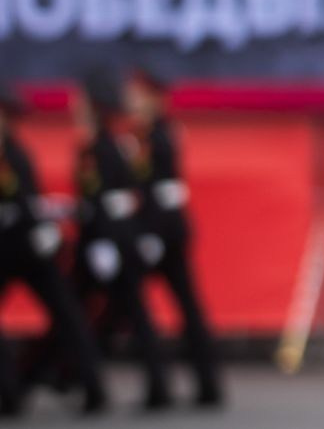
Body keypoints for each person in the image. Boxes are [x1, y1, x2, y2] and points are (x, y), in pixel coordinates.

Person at [0, 87, 108, 418]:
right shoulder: (16, 152)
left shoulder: (15, 154)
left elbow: (25, 200)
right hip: (22, 244)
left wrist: (41, 222)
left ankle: (90, 387)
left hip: (22, 246)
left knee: (68, 314)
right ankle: (12, 392)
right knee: (68, 313)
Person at [67, 78, 172, 413]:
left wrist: (108, 240)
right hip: (113, 238)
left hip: (111, 240)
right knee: (100, 313)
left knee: (102, 313)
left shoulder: (102, 147)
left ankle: (88, 384)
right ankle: (65, 376)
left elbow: (114, 197)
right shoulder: (114, 144)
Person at [122, 70, 222, 408]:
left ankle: (195, 384)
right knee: (170, 308)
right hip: (155, 231)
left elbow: (165, 192)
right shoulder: (141, 135)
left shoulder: (160, 136)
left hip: (164, 233)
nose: (131, 101)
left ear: (153, 98)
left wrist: (152, 235)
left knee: (180, 309)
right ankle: (178, 385)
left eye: (137, 94)